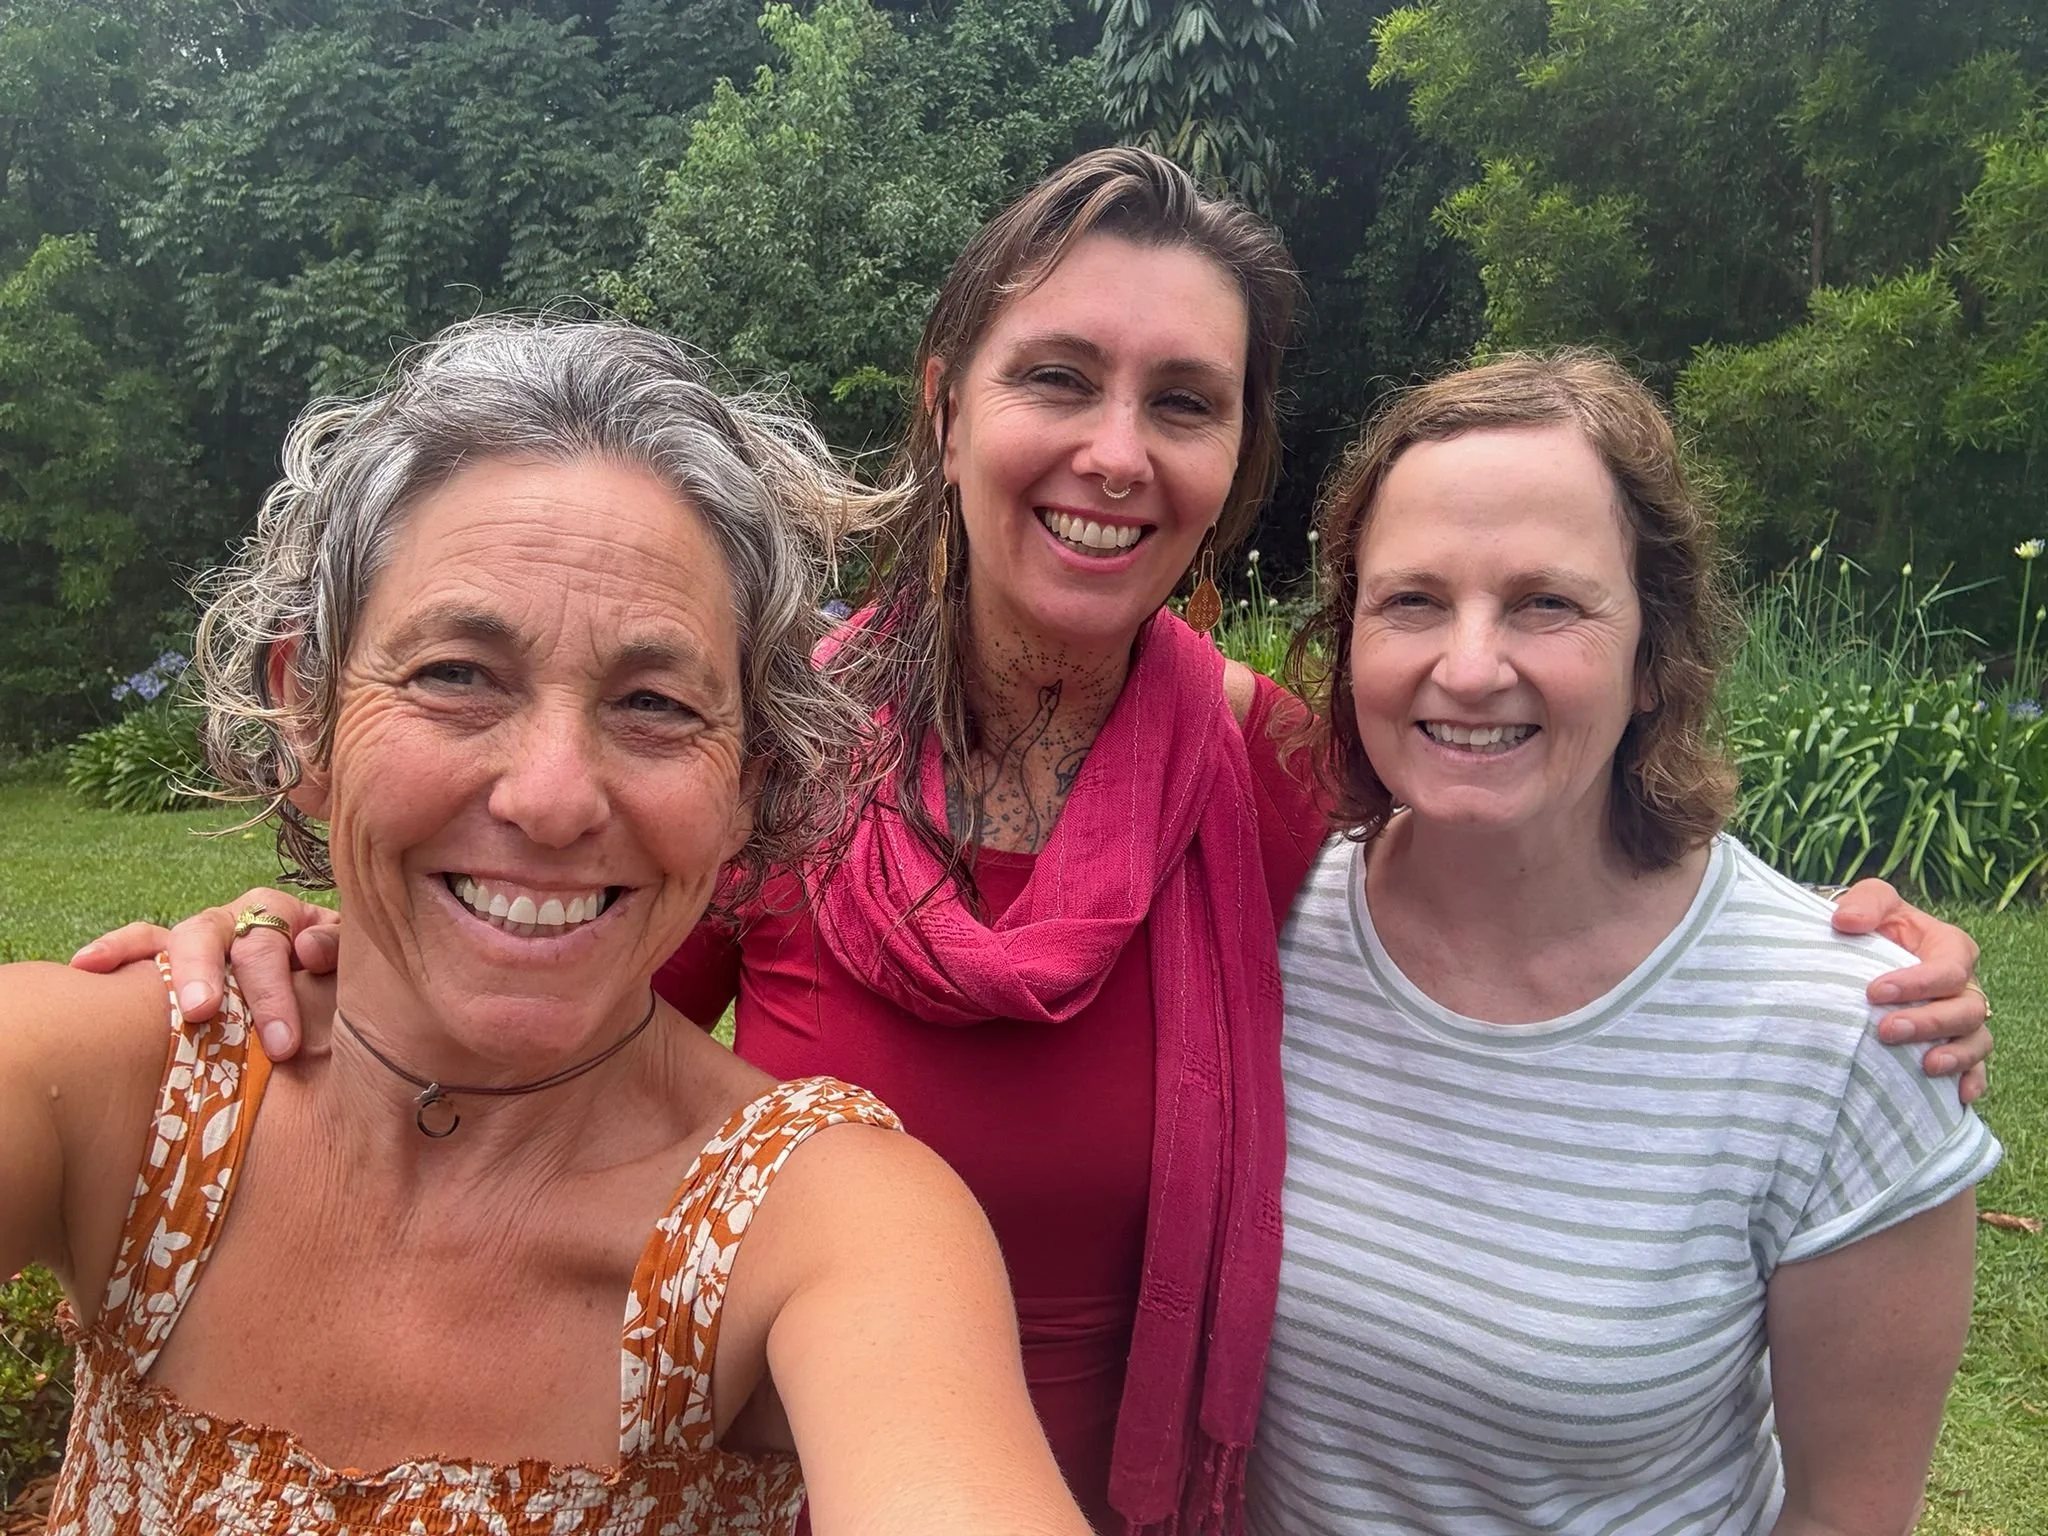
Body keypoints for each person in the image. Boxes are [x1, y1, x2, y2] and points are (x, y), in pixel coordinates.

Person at [78, 152, 1996, 1534]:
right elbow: (536, 997)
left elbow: (1537, 857)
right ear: (947, 401)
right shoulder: (751, 760)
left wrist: (1834, 967)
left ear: (1234, 467)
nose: (1112, 450)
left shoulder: (1269, 774)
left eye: (1183, 404)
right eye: (1056, 378)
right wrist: (318, 927)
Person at [6, 317, 1089, 1536]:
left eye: (654, 703)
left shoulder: (821, 1227)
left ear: (750, 784)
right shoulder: (121, 1083)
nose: (554, 795)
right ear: (305, 712)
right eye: (458, 675)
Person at [1250, 351, 2001, 1534]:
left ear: (1655, 653)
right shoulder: (1260, 912)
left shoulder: (1846, 1033)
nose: (1467, 664)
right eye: (1411, 600)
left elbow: (1849, 1515)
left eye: (1545, 602)